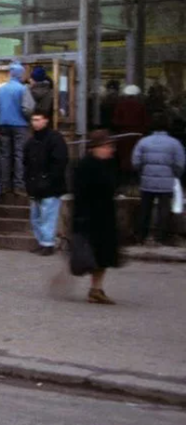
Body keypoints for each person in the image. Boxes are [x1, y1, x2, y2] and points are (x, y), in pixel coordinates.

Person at [73, 131, 122, 304]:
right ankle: (95, 289)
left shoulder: (107, 164)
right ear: (95, 148)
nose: (110, 150)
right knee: (93, 254)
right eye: (107, 146)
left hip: (104, 216)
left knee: (104, 256)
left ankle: (96, 289)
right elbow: (81, 193)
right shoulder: (85, 166)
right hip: (90, 217)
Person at [131, 113, 186, 246]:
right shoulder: (175, 143)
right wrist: (174, 176)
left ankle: (142, 235)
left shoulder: (143, 142)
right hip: (166, 182)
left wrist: (142, 173)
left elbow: (135, 162)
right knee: (164, 209)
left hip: (147, 182)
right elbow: (180, 164)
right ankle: (161, 236)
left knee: (145, 208)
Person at [23, 111, 69, 256]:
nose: (35, 123)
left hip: (50, 185)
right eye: (33, 120)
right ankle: (43, 242)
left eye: (38, 119)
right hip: (35, 185)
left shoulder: (55, 139)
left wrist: (48, 179)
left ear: (46, 120)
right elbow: (26, 162)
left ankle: (48, 243)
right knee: (36, 216)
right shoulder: (31, 141)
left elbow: (60, 162)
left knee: (48, 215)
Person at [0, 62, 35, 197]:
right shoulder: (23, 89)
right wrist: (28, 119)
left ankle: (4, 185)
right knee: (20, 155)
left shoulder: (0, 89)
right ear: (20, 74)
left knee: (4, 155)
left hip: (3, 125)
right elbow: (28, 109)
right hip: (20, 125)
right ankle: (19, 186)